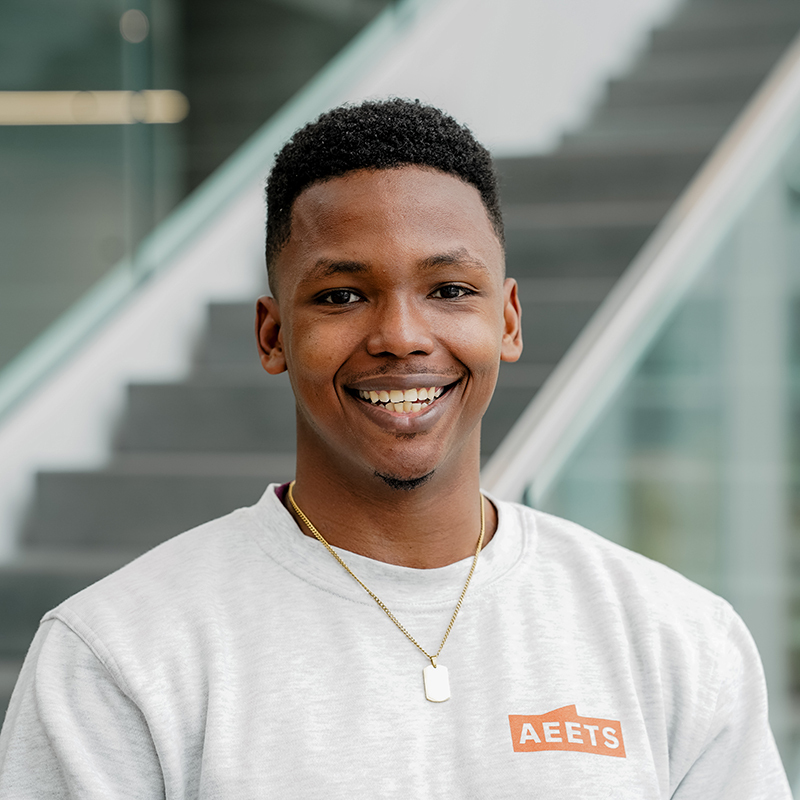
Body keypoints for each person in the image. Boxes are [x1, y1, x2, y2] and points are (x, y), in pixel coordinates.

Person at [0, 99, 791, 798]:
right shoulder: (117, 655)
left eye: (449, 290)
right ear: (274, 335)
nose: (402, 337)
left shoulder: (679, 638)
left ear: (508, 321)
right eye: (342, 295)